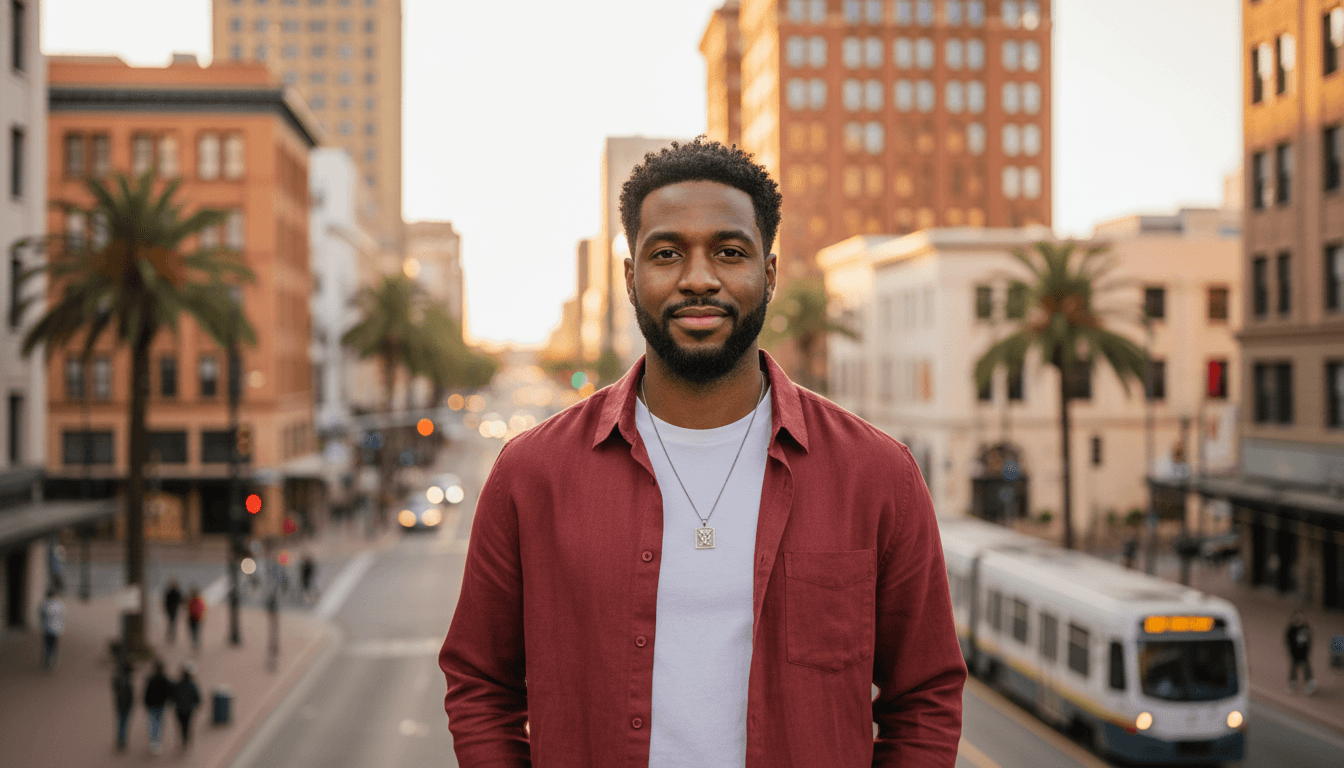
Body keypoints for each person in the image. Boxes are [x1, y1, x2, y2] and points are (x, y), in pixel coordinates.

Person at [439, 138, 966, 767]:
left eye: (729, 252)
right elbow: (480, 685)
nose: (698, 278)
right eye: (667, 253)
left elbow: (925, 694)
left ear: (768, 273)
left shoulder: (877, 475)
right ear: (631, 276)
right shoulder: (531, 476)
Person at [143, 660, 174, 754]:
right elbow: (170, 691)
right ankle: (158, 742)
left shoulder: (150, 679)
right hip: (161, 705)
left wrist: (146, 703)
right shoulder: (166, 679)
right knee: (160, 724)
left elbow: (146, 693)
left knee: (152, 724)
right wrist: (170, 701)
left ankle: (153, 742)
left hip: (152, 705)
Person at [174, 661, 201, 750]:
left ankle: (184, 738)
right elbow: (197, 697)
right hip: (189, 709)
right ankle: (186, 738)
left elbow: (174, 696)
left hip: (179, 709)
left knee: (181, 725)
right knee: (188, 725)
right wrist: (197, 704)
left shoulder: (178, 684)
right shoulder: (192, 685)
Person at [1286, 610, 1315, 694]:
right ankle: (1292, 684)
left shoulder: (1305, 628)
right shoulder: (1291, 628)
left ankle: (1309, 684)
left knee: (1306, 669)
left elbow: (1309, 641)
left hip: (1304, 654)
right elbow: (1288, 641)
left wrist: (1307, 651)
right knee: (1293, 669)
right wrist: (1291, 652)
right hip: (1295, 654)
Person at [39, 588, 64, 669]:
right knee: (54, 646)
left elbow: (41, 615)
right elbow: (63, 615)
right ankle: (52, 660)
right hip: (56, 629)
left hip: (47, 628)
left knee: (47, 645)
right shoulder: (59, 604)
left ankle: (47, 659)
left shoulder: (45, 604)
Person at [112, 661, 134, 751]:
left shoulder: (118, 680)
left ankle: (120, 740)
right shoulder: (128, 683)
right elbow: (131, 696)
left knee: (121, 722)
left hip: (119, 704)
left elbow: (115, 690)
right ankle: (122, 741)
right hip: (126, 705)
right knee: (124, 723)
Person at [163, 579, 183, 644]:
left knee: (171, 622)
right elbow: (181, 600)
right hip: (174, 609)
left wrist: (165, 608)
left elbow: (166, 601)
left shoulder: (169, 592)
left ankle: (170, 634)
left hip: (170, 609)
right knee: (172, 622)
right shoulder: (177, 592)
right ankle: (171, 635)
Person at [186, 587, 206, 651]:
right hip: (194, 618)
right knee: (194, 631)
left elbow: (202, 608)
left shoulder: (197, 600)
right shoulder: (191, 600)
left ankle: (196, 642)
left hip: (196, 618)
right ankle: (196, 642)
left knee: (195, 631)